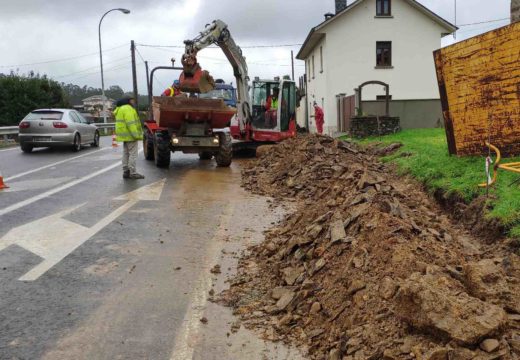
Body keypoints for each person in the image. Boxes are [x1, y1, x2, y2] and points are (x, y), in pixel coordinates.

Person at [114, 97, 145, 179]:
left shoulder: (120, 109)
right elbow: (131, 123)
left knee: (126, 153)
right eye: (132, 100)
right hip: (130, 135)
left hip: (124, 135)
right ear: (127, 101)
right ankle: (133, 173)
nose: (133, 102)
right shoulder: (128, 109)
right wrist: (137, 135)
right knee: (133, 154)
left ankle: (126, 171)